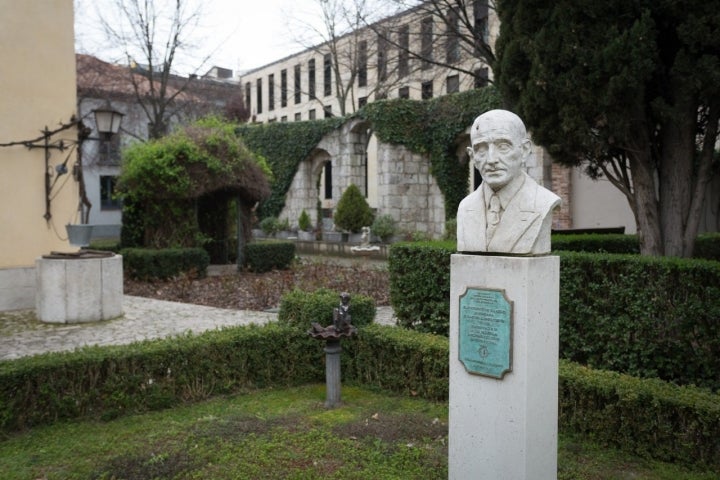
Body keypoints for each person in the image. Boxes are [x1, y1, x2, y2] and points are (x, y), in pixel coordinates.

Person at [456, 109, 561, 255]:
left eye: (503, 147)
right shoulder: (465, 207)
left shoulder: (542, 202)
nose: (491, 159)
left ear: (524, 150)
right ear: (472, 156)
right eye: (481, 149)